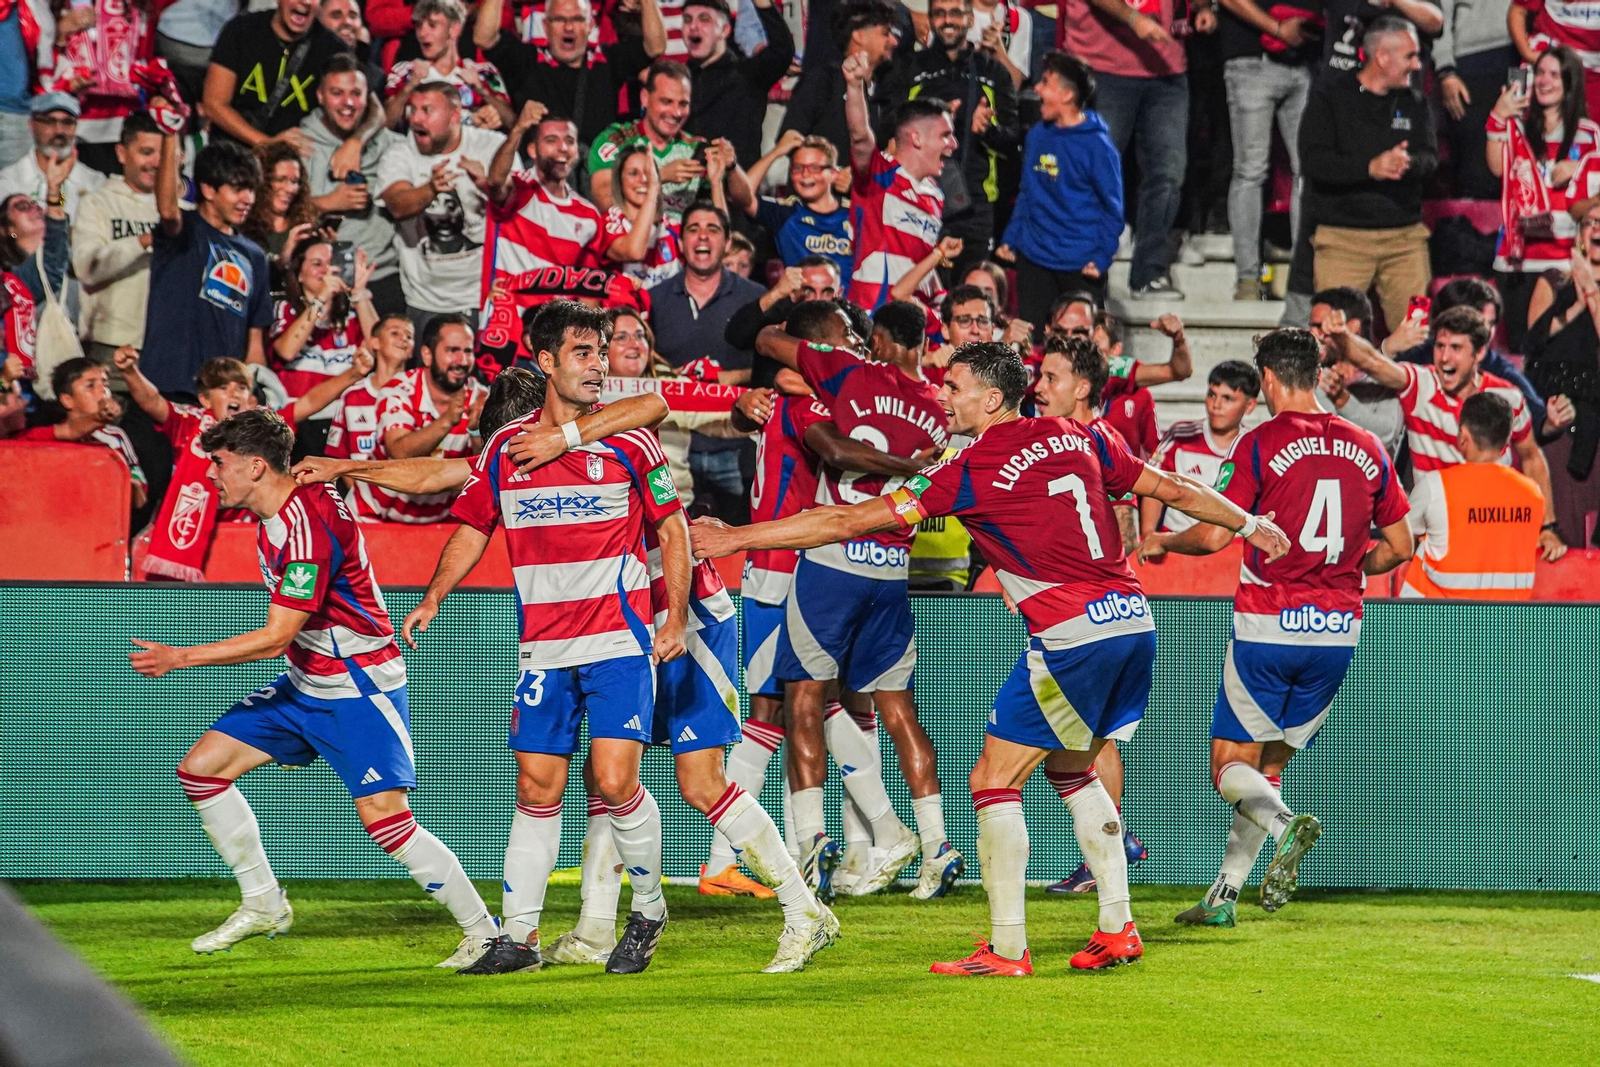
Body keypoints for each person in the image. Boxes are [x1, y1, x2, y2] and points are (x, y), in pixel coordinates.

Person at [693, 341, 1291, 971]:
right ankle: (1117, 926)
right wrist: (1250, 524)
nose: (942, 396)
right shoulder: (1080, 434)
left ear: (992, 398)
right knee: (1072, 769)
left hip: (1071, 634)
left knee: (991, 781)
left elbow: (849, 521)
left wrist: (737, 537)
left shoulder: (968, 466)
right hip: (1133, 622)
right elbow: (1172, 486)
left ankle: (1007, 948)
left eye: (954, 387)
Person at [401, 303, 722, 975]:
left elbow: (672, 530)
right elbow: (472, 525)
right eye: (582, 351)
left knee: (612, 779)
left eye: (600, 351)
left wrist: (673, 616)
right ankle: (519, 938)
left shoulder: (629, 441)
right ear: (544, 362)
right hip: (542, 647)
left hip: (615, 641)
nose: (597, 363)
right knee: (537, 785)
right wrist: (434, 593)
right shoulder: (504, 448)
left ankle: (651, 909)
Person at [126, 408, 501, 969]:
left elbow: (277, 637)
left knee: (386, 817)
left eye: (220, 464)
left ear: (255, 466)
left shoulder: (305, 526)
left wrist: (182, 657)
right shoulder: (275, 513)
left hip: (356, 685)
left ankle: (486, 934)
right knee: (202, 768)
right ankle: (263, 901)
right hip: (309, 681)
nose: (212, 475)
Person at [1140, 329, 1412, 927]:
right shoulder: (1367, 444)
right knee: (1266, 768)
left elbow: (1214, 533)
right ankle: (1224, 895)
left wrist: (1163, 540)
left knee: (1227, 767)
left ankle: (1287, 826)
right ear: (1317, 373)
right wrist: (1342, 567)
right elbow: (1400, 545)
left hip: (1270, 626)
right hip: (1338, 633)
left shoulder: (1260, 442)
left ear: (1267, 379)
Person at [753, 300, 965, 904]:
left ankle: (808, 842)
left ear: (875, 338)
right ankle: (935, 845)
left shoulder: (846, 374)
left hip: (833, 560)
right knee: (896, 711)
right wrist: (914, 469)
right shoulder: (935, 411)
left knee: (802, 702)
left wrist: (800, 364)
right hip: (893, 571)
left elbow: (772, 344)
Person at [1331, 304, 1568, 561]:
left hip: (1491, 530)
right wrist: (1341, 336)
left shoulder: (1507, 396)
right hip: (1435, 535)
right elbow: (1371, 362)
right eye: (1440, 346)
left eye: (1456, 348)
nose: (1444, 358)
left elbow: (1532, 456)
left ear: (1478, 354)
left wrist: (1547, 527)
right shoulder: (1421, 384)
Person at [117, 349, 369, 577]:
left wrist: (354, 373)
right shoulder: (190, 423)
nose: (234, 394)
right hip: (191, 540)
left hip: (247, 538)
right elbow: (152, 401)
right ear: (205, 400)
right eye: (223, 388)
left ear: (250, 398)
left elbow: (308, 402)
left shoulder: (261, 426)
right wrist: (130, 372)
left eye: (241, 388)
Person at [1060, 0, 1213, 299]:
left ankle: (1149, 272)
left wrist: (1203, 7)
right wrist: (1133, 17)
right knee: (1093, 175)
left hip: (1166, 68)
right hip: (1100, 65)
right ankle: (1080, 275)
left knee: (1168, 174)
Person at [1299, 17, 1436, 331]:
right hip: (1342, 241)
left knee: (1418, 332)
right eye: (1410, 56)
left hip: (1406, 242)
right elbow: (1314, 162)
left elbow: (1430, 157)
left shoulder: (1415, 102)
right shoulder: (1329, 97)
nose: (1417, 65)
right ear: (1382, 57)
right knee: (1333, 339)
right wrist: (1369, 168)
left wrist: (1408, 163)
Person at [879, 0, 1019, 269]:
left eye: (955, 13)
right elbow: (886, 128)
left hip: (975, 205)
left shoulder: (993, 72)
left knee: (970, 293)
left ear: (970, 18)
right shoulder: (909, 68)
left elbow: (1012, 139)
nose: (948, 21)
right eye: (940, 14)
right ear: (930, 18)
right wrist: (924, 120)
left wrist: (988, 131)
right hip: (915, 196)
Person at [647, 200, 765, 517]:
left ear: (726, 242)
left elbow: (768, 370)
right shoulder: (654, 299)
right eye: (693, 229)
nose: (702, 237)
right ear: (681, 240)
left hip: (735, 446)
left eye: (712, 230)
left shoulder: (755, 297)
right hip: (670, 450)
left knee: (735, 542)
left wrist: (735, 376)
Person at [480, 105, 618, 368]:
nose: (562, 148)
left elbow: (587, 290)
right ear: (532, 150)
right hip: (506, 330)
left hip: (556, 339)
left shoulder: (588, 215)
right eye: (551, 140)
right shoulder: (517, 189)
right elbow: (496, 181)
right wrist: (518, 128)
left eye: (569, 141)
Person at [996, 50, 1121, 324]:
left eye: (1045, 83)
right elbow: (1027, 193)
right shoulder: (1038, 135)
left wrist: (1101, 257)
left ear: (1067, 95)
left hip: (1080, 264)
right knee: (1033, 347)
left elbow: (1112, 210)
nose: (1037, 89)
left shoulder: (1099, 147)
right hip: (1034, 259)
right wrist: (1011, 238)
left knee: (1080, 353)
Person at [143, 131, 272, 395]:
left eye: (251, 189)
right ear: (208, 189)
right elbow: (167, 209)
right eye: (237, 189)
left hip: (222, 398)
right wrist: (170, 133)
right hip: (168, 389)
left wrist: (258, 392)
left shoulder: (255, 256)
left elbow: (254, 339)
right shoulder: (184, 230)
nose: (247, 199)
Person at [1486, 45, 1598, 349]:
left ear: (1570, 82)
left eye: (1553, 74)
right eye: (1539, 74)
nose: (1543, 81)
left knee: (1561, 347)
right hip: (1518, 258)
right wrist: (1498, 116)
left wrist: (1578, 166)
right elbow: (1496, 167)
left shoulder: (1589, 134)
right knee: (1524, 349)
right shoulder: (1515, 125)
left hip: (1565, 257)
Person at [376, 81, 504, 333]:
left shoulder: (490, 146)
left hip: (486, 298)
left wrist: (490, 185)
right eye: (412, 110)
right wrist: (430, 189)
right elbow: (397, 205)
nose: (415, 119)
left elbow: (515, 204)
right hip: (424, 301)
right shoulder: (400, 153)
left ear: (455, 114)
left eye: (427, 110)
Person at [1215, 0, 1317, 300]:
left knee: (1307, 171)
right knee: (1250, 171)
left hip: (1303, 61)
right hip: (1251, 59)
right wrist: (1276, 28)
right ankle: (1248, 279)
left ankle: (1303, 278)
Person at [475, 0, 665, 158]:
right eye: (559, 19)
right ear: (545, 26)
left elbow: (655, 46)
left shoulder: (607, 62)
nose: (568, 27)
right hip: (538, 185)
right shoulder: (527, 61)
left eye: (577, 19)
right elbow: (484, 38)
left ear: (590, 26)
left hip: (593, 184)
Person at [1403, 392, 1545, 598]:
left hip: (1437, 622)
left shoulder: (1435, 487)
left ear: (1463, 436)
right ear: (1506, 445)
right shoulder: (1533, 494)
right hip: (1505, 624)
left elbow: (1400, 540)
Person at [844, 60, 955, 314]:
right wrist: (854, 85)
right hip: (872, 317)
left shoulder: (935, 195)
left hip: (911, 322)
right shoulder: (881, 176)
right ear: (916, 138)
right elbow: (860, 137)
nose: (954, 144)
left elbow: (920, 266)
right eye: (945, 135)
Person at [301, 54, 405, 317]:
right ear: (320, 96)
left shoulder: (393, 146)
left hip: (385, 277)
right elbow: (276, 220)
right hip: (323, 281)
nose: (348, 103)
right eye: (337, 93)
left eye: (355, 93)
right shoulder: (300, 146)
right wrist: (330, 203)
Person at [359, 313, 488, 522]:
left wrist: (475, 432)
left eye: (468, 351)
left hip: (438, 523)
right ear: (427, 355)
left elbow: (484, 472)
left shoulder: (481, 398)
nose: (462, 361)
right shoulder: (399, 390)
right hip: (374, 516)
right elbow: (399, 452)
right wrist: (447, 420)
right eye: (452, 350)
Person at [73, 113, 163, 367]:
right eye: (146, 152)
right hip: (109, 347)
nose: (156, 162)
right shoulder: (97, 203)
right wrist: (144, 241)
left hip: (168, 347)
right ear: (122, 153)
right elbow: (87, 269)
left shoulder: (182, 211)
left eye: (162, 153)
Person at [203, 0, 354, 151]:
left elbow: (372, 107)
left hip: (295, 162)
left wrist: (355, 143)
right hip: (233, 157)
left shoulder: (333, 49)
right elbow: (214, 104)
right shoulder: (241, 30)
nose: (306, 1)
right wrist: (268, 144)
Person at [1141, 360, 1262, 537]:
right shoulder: (1180, 436)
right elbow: (1153, 485)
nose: (1216, 405)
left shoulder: (1255, 448)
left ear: (1250, 405)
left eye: (1227, 398)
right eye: (1212, 395)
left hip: (1230, 551)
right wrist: (1148, 534)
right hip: (1175, 545)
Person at [13, 359, 147, 511]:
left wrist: (131, 485)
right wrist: (98, 419)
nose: (103, 390)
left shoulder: (116, 436)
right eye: (90, 385)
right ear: (67, 400)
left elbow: (140, 497)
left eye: (105, 383)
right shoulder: (46, 436)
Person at [780, 0, 901, 166]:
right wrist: (831, 173)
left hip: (868, 190)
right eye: (885, 33)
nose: (894, 41)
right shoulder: (821, 81)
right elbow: (790, 140)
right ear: (858, 35)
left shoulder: (888, 90)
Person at [681, 0, 794, 165]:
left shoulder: (748, 74)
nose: (693, 26)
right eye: (687, 20)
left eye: (704, 19)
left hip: (736, 186)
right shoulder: (678, 80)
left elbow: (782, 50)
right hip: (685, 186)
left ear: (725, 30)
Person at [270, 239, 378, 412]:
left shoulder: (351, 319)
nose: (326, 271)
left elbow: (380, 348)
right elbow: (287, 351)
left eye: (331, 264)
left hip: (342, 419)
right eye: (317, 264)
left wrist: (359, 293)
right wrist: (321, 298)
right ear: (299, 274)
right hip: (298, 418)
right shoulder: (285, 310)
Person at [729, 132, 852, 282]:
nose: (805, 174)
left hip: (853, 303)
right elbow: (742, 197)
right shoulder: (786, 212)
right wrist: (775, 153)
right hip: (803, 303)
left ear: (833, 174)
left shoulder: (856, 212)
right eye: (798, 168)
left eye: (814, 167)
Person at [588, 60, 703, 220]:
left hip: (680, 242)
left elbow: (745, 202)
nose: (676, 113)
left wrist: (731, 168)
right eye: (666, 102)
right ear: (645, 98)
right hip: (631, 238)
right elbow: (604, 201)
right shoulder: (616, 140)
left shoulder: (694, 148)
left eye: (683, 104)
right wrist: (659, 177)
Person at [383, 0, 513, 132]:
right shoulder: (404, 72)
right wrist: (409, 86)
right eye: (419, 26)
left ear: (454, 29)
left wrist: (482, 90)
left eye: (432, 25)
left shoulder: (483, 72)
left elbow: (512, 123)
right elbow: (386, 124)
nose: (422, 33)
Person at [1435, 0, 1517, 201]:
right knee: (1474, 165)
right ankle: (1472, 227)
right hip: (1470, 62)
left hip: (1520, 55)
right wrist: (1445, 70)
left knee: (1518, 150)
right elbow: (1439, 15)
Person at [1310, 286, 1405, 458]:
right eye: (1312, 327)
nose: (1313, 334)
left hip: (1372, 481)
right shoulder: (1312, 378)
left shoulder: (1384, 379)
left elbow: (1386, 435)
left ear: (1352, 327)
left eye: (1321, 326)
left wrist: (1342, 399)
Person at [723, 256, 846, 387]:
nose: (817, 299)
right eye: (808, 291)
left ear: (839, 293)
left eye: (827, 292)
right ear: (793, 293)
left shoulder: (850, 329)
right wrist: (777, 292)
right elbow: (736, 335)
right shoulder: (775, 322)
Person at [0, 190, 71, 391]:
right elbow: (49, 268)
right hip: (29, 391)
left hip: (72, 379)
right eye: (22, 206)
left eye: (36, 203)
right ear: (7, 229)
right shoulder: (11, 282)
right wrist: (56, 197)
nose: (35, 208)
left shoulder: (74, 269)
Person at [0, 93, 105, 221]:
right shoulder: (9, 182)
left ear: (76, 127)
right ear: (32, 125)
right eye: (49, 121)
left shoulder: (95, 183)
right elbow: (9, 236)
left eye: (67, 122)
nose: (59, 131)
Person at [325, 314, 415, 461]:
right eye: (394, 333)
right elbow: (339, 457)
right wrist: (354, 485)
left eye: (409, 336)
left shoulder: (420, 392)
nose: (403, 339)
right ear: (375, 343)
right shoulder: (352, 396)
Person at [600, 144, 678, 287]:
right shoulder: (608, 223)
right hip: (622, 308)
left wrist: (716, 182)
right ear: (620, 180)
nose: (643, 179)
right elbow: (635, 252)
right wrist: (653, 188)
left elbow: (719, 247)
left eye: (649, 173)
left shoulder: (670, 227)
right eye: (633, 173)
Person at [242, 142, 319, 262]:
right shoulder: (244, 226)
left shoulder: (303, 226)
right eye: (280, 179)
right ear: (262, 181)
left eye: (294, 181)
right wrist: (284, 256)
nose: (290, 189)